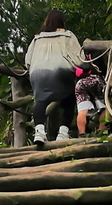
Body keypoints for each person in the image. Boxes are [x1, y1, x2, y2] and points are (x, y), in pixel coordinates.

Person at [25, 9, 83, 146]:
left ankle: (39, 132)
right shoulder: (68, 36)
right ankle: (63, 133)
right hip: (61, 72)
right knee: (69, 100)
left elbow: (28, 60)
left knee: (40, 101)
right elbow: (79, 59)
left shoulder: (37, 38)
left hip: (38, 73)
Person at [75, 58, 107, 137]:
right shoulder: (98, 59)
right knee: (104, 108)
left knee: (82, 110)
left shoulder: (81, 60)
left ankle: (82, 133)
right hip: (95, 80)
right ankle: (101, 130)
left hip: (80, 83)